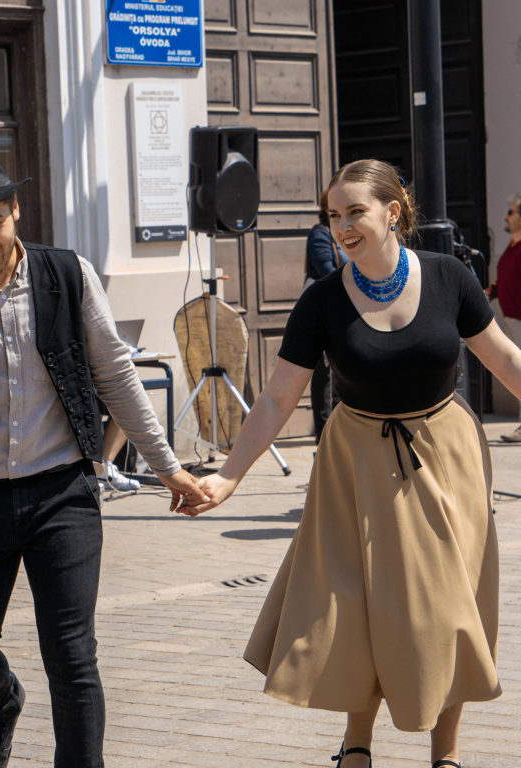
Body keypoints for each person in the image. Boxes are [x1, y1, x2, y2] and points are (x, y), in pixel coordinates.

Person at [0, 146, 207, 768]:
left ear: (16, 209)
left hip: (62, 495)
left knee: (72, 657)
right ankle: (2, 704)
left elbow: (116, 376)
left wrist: (168, 467)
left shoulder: (70, 275)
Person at [186, 159, 521, 768]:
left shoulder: (449, 275)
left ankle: (446, 753)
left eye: (355, 212)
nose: (341, 226)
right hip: (355, 463)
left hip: (446, 456)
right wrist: (229, 476)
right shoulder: (322, 301)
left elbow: (503, 359)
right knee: (358, 606)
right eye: (333, 215)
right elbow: (277, 398)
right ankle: (357, 746)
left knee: (450, 607)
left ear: (393, 212)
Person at [305, 189, 348, 442]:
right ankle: (324, 434)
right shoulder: (320, 233)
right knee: (323, 372)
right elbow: (325, 270)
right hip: (324, 309)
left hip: (347, 306)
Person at [486, 194, 521, 441]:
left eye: (511, 213)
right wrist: (488, 293)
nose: (505, 216)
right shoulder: (512, 246)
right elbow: (507, 280)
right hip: (513, 319)